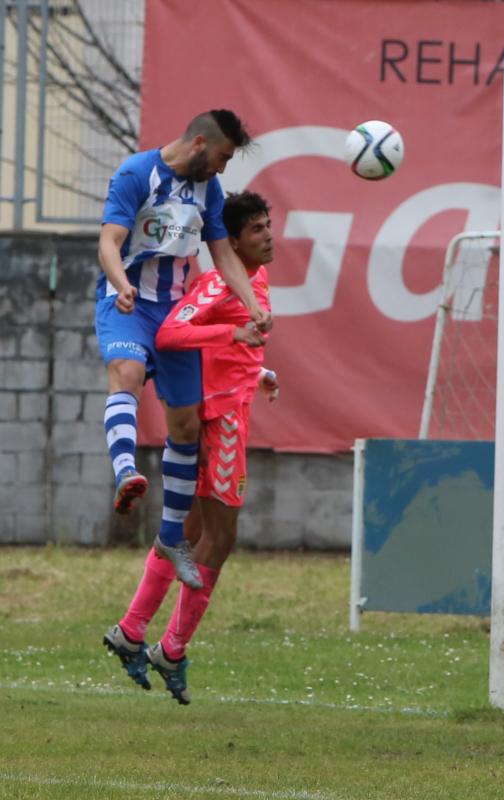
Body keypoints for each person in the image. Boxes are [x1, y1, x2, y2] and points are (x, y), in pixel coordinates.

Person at [103, 191, 279, 705]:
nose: (269, 235)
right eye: (258, 230)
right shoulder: (222, 281)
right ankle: (171, 649)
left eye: (269, 225)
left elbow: (234, 346)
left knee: (192, 534)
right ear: (234, 241)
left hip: (230, 410)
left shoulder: (252, 281)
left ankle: (133, 630)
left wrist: (260, 370)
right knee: (219, 540)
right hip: (218, 423)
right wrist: (235, 332)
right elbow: (174, 333)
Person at [95, 109, 272, 592]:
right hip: (128, 303)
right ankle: (127, 471)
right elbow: (109, 242)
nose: (222, 170)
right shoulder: (137, 173)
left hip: (173, 312)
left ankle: (172, 537)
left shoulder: (208, 191)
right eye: (221, 157)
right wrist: (119, 283)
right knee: (127, 372)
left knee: (187, 424)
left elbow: (223, 254)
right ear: (198, 144)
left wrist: (252, 304)